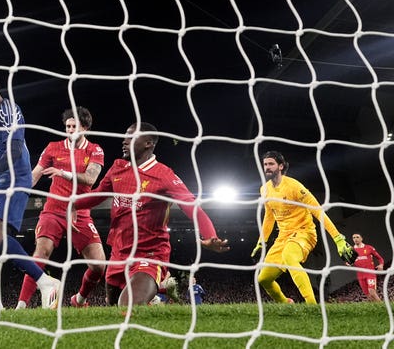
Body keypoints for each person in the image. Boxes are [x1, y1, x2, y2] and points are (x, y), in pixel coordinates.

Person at [74, 122, 230, 306]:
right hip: (119, 253)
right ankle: (159, 296)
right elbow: (97, 195)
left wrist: (211, 235)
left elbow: (192, 207)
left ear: (148, 143)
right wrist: (69, 203)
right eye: (125, 136)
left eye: (131, 137)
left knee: (128, 305)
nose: (124, 140)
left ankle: (158, 289)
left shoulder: (163, 175)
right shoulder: (118, 167)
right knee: (113, 309)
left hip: (150, 255)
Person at [0, 73, 61, 310]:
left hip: (15, 179)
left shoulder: (8, 109)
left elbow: (15, 150)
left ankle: (45, 281)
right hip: (0, 180)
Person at [16, 106, 106, 309]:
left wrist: (63, 173)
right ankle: (20, 306)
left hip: (80, 212)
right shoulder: (53, 147)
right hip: (53, 210)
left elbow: (90, 179)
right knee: (41, 252)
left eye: (74, 126)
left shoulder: (95, 150)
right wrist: (16, 188)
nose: (70, 130)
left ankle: (79, 300)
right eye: (67, 126)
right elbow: (35, 175)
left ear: (85, 128)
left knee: (99, 265)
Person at [251, 151, 355, 304]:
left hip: (304, 232)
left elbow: (318, 211)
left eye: (271, 164)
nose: (267, 167)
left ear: (280, 166)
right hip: (283, 237)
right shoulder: (264, 190)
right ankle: (286, 304)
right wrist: (261, 242)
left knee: (289, 256)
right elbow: (269, 216)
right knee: (264, 278)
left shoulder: (295, 187)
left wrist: (338, 238)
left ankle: (312, 306)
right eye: (265, 164)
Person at [351, 233, 384, 302]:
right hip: (360, 275)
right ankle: (377, 310)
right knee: (368, 296)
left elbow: (380, 258)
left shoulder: (369, 248)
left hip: (370, 273)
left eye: (357, 237)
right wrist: (348, 264)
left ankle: (383, 307)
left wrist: (381, 265)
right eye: (354, 238)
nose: (355, 239)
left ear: (361, 238)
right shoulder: (351, 250)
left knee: (372, 292)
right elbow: (348, 261)